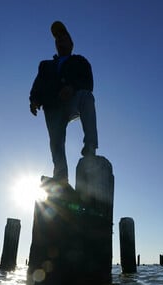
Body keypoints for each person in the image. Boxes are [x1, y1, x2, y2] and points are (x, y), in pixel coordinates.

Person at [29, 21, 98, 183]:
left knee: (87, 97)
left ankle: (90, 147)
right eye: (57, 39)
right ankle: (61, 176)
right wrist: (34, 100)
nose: (60, 41)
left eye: (63, 38)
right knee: (56, 141)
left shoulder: (80, 61)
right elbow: (37, 85)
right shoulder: (45, 65)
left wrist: (72, 88)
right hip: (52, 107)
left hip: (71, 102)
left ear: (71, 43)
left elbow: (88, 82)